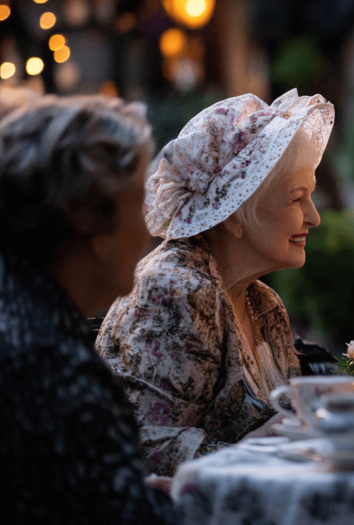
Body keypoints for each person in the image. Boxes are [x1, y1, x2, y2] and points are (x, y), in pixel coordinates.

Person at [96, 90, 333, 476]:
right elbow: (139, 444)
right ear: (234, 213)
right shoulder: (178, 289)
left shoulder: (262, 303)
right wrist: (250, 453)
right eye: (297, 198)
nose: (314, 217)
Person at [0, 96, 177, 523]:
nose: (150, 225)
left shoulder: (22, 312)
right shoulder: (52, 367)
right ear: (92, 222)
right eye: (139, 201)